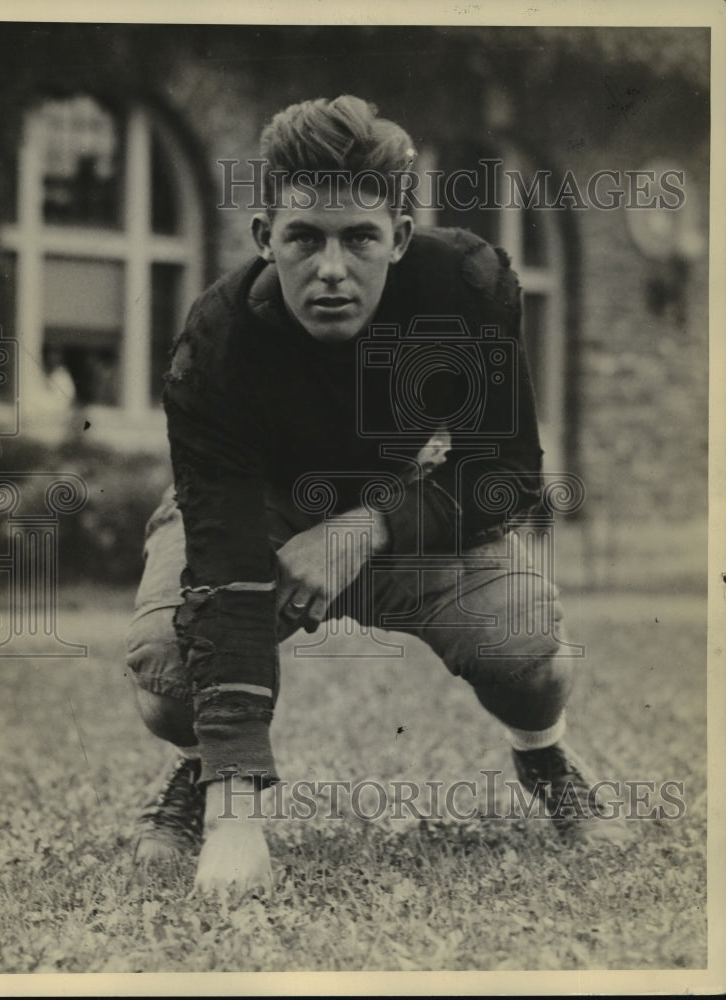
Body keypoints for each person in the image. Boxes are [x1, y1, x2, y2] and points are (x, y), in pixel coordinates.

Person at [125, 95, 617, 895]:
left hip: (405, 508)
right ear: (263, 240)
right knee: (166, 669)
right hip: (264, 518)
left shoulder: (465, 286)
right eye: (303, 238)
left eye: (357, 238)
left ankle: (544, 753)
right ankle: (199, 773)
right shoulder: (217, 340)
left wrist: (368, 526)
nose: (329, 268)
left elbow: (506, 473)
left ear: (397, 236)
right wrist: (237, 815)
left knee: (525, 652)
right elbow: (221, 556)